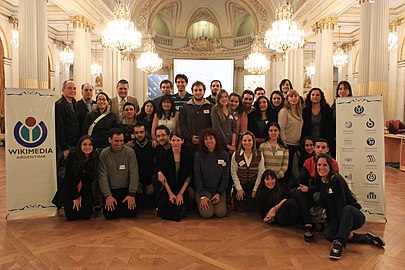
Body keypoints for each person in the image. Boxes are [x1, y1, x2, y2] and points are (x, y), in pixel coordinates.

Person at [315, 154, 385, 260]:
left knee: (346, 209)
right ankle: (367, 238)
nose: (321, 168)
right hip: (340, 217)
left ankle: (338, 244)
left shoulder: (335, 180)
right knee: (328, 234)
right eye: (319, 165)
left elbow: (341, 204)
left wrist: (348, 227)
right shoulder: (321, 181)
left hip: (353, 215)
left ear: (330, 166)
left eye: (325, 165)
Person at [98, 128, 139, 219]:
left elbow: (134, 173)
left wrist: (132, 194)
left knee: (131, 213)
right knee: (110, 215)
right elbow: (102, 175)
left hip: (126, 189)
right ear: (110, 140)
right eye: (116, 141)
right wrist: (108, 195)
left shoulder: (130, 152)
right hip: (112, 190)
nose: (119, 143)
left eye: (121, 140)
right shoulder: (104, 154)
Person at [53, 80, 81, 210]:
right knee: (63, 174)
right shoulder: (59, 105)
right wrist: (64, 148)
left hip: (74, 144)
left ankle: (70, 198)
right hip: (66, 146)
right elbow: (60, 128)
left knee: (72, 174)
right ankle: (62, 201)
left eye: (74, 88)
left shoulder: (74, 103)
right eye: (70, 88)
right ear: (63, 90)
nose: (73, 91)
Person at [156, 132, 194, 221]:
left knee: (180, 212)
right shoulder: (164, 155)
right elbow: (162, 177)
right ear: (170, 141)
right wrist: (170, 194)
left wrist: (180, 194)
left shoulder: (188, 155)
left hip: (182, 188)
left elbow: (189, 175)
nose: (176, 143)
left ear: (182, 141)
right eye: (173, 140)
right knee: (163, 212)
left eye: (178, 140)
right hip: (169, 188)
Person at [194, 128, 229, 218]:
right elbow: (197, 176)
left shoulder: (224, 155)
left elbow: (225, 176)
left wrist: (219, 193)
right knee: (207, 214)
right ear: (203, 142)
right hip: (204, 190)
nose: (209, 141)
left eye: (211, 138)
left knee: (220, 213)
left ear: (216, 139)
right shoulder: (198, 156)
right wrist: (202, 195)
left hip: (218, 191)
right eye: (206, 139)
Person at [62, 135, 99, 221]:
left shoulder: (94, 156)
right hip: (71, 188)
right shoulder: (72, 156)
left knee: (87, 215)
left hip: (85, 189)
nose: (87, 147)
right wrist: (75, 197)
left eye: (90, 144)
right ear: (80, 146)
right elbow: (69, 178)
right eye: (85, 144)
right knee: (72, 216)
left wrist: (82, 196)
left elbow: (91, 178)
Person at [231, 131, 265, 212]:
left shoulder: (259, 155)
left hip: (253, 185)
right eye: (245, 140)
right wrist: (239, 188)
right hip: (241, 185)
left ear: (253, 141)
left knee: (251, 209)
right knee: (241, 209)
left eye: (249, 140)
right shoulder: (236, 154)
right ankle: (233, 194)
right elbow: (233, 172)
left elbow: (261, 172)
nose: (247, 143)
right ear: (241, 142)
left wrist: (255, 189)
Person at [179, 81, 213, 153]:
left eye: (200, 90)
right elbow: (182, 125)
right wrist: (190, 137)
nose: (198, 92)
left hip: (206, 144)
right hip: (189, 145)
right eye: (195, 90)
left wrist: (204, 138)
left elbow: (212, 125)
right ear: (192, 92)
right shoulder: (185, 107)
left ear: (204, 91)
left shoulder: (210, 106)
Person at [278, 89, 303, 185]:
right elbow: (281, 128)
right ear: (287, 99)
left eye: (295, 96)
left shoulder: (299, 111)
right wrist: (284, 143)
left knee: (295, 171)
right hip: (287, 145)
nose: (293, 98)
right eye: (291, 96)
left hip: (297, 144)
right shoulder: (284, 111)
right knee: (287, 171)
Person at [301, 88, 334, 154]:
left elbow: (330, 125)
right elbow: (304, 127)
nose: (315, 96)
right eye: (313, 95)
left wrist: (323, 140)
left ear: (321, 97)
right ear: (309, 96)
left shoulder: (327, 109)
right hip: (309, 142)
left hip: (324, 140)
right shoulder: (306, 110)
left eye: (317, 95)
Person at [133, 123, 156, 208]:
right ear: (134, 134)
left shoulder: (153, 146)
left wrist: (154, 184)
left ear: (146, 132)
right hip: (137, 183)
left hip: (151, 183)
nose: (139, 135)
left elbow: (157, 166)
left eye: (141, 132)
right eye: (137, 132)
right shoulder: (131, 147)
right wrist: (135, 183)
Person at [331, 81, 353, 158]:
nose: (342, 91)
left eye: (345, 89)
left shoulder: (353, 105)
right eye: (340, 89)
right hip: (336, 138)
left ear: (349, 91)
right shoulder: (334, 106)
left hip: (350, 136)